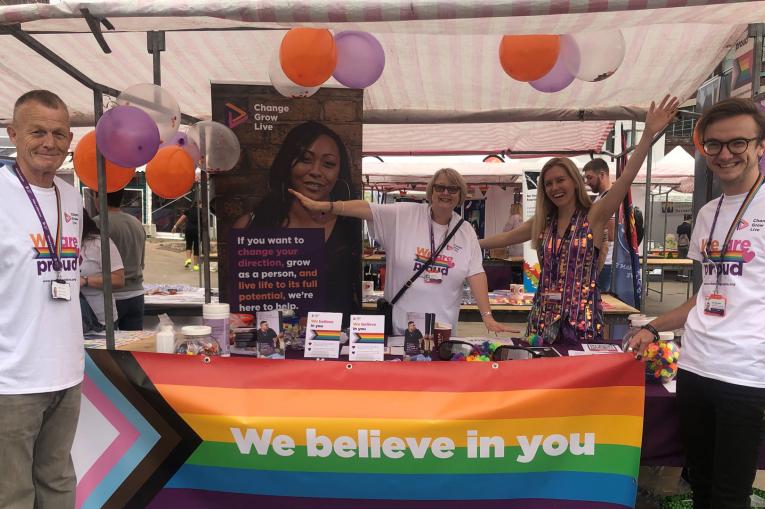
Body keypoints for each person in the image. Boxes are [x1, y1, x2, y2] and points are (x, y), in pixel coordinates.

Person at [627, 97, 765, 509]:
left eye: (738, 143)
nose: (725, 154)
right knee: (701, 485)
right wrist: (652, 326)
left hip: (747, 373)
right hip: (695, 367)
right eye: (715, 145)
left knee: (728, 496)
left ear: (760, 146)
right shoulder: (707, 212)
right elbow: (705, 294)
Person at [480, 95, 678, 344]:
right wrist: (469, 241)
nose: (554, 187)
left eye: (560, 180)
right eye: (548, 183)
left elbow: (626, 177)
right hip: (542, 317)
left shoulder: (593, 215)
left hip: (581, 320)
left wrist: (648, 133)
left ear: (574, 181)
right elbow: (506, 237)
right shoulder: (544, 221)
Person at [289, 167, 515, 336]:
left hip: (442, 331)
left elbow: (476, 273)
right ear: (431, 191)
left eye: (453, 189)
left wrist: (487, 316)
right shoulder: (404, 214)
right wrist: (327, 207)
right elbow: (366, 208)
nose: (446, 193)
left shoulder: (466, 231)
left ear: (460, 194)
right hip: (398, 330)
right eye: (440, 187)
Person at [0, 90, 81, 508]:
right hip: (11, 378)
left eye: (58, 133)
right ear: (13, 133)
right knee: (12, 494)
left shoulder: (72, 197)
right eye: (37, 132)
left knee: (58, 482)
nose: (49, 142)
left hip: (66, 372)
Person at [234, 121, 361, 321]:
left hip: (335, 347)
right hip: (271, 348)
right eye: (305, 159)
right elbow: (240, 308)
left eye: (328, 164)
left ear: (339, 173)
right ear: (287, 163)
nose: (316, 171)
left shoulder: (354, 226)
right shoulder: (250, 226)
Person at [94, 189, 146, 330]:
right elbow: (142, 262)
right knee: (133, 348)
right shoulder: (136, 223)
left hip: (111, 296)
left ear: (99, 198)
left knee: (109, 349)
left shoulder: (97, 223)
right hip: (136, 294)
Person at [80, 209, 125, 330]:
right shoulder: (56, 245)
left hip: (101, 322)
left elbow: (118, 280)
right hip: (71, 321)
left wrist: (85, 280)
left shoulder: (100, 243)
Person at [583, 158, 615, 292]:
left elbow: (611, 233)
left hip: (606, 261)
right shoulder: (601, 197)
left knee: (599, 300)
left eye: (590, 177)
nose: (587, 182)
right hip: (600, 259)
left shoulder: (610, 197)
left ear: (602, 175)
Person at [171, 204, 199, 271]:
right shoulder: (201, 211)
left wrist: (175, 227)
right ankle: (195, 265)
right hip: (197, 231)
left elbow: (181, 219)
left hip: (189, 230)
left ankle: (188, 259)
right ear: (199, 204)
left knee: (189, 245)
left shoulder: (189, 210)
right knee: (196, 247)